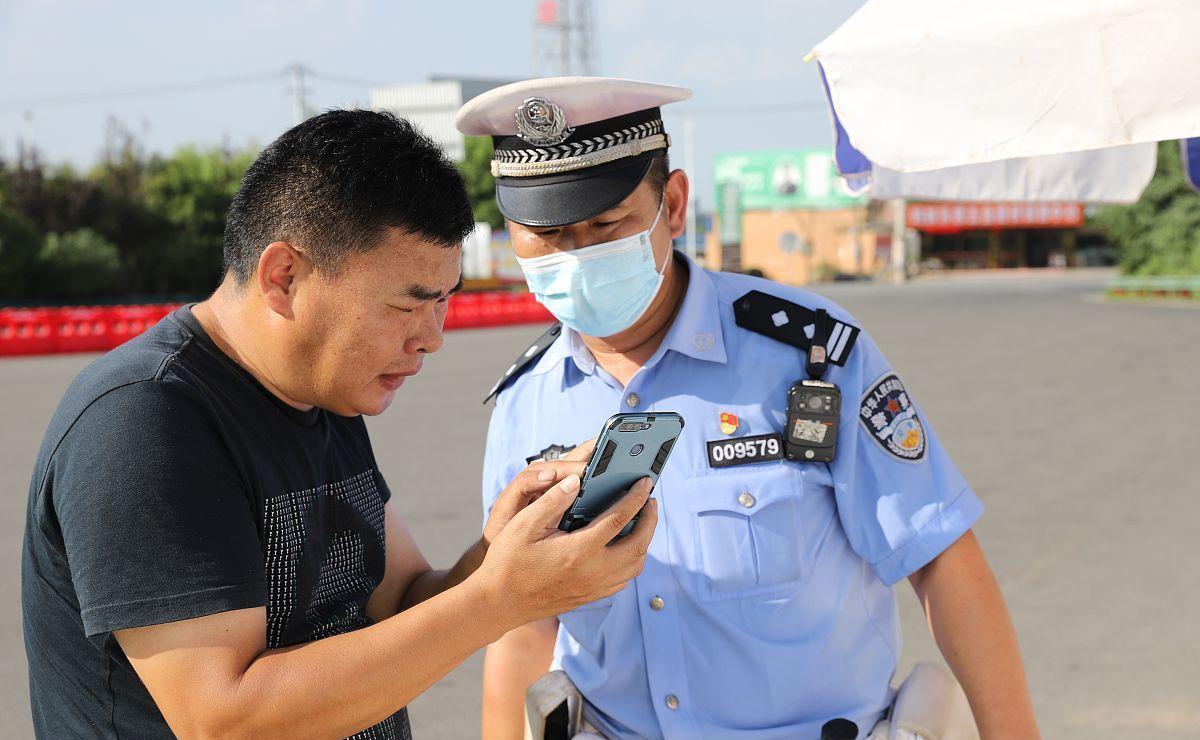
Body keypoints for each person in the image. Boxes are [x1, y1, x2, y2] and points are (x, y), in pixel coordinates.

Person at [20, 109, 657, 739]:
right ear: (284, 277)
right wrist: (500, 598)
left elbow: (402, 599)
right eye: (407, 305)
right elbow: (226, 719)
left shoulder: (324, 392)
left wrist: (503, 551)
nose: (432, 337)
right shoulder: (143, 419)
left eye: (444, 301)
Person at [458, 78, 1040, 739]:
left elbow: (939, 557)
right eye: (548, 233)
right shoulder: (525, 402)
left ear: (674, 206)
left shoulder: (810, 355)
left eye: (606, 225)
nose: (577, 255)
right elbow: (522, 626)